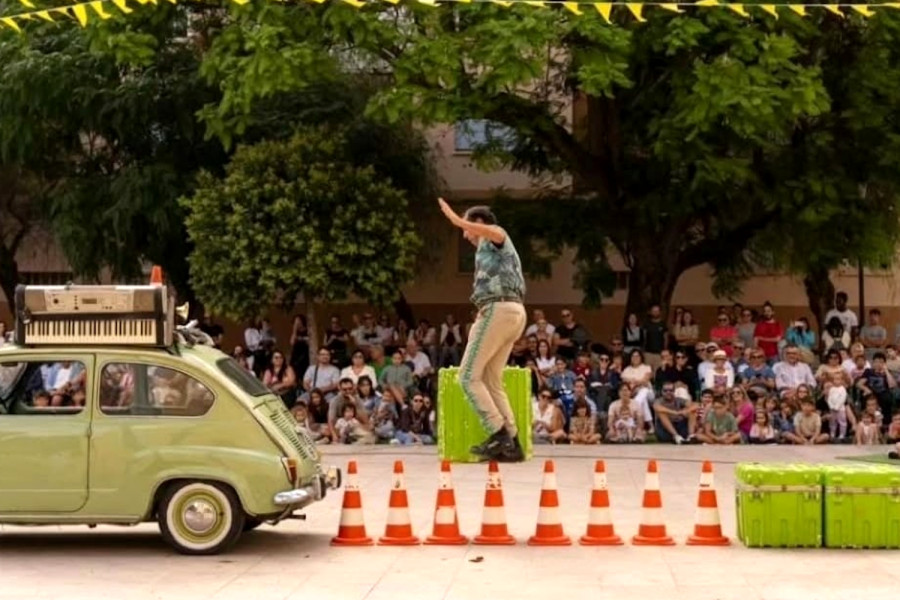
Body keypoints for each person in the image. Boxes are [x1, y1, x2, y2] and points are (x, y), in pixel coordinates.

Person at [438, 198, 527, 462]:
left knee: (466, 377)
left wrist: (456, 219)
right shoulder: (485, 251)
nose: (464, 235)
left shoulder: (496, 237)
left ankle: (498, 433)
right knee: (490, 379)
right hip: (510, 312)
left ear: (478, 224)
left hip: (499, 311)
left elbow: (496, 231)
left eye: (467, 228)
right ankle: (513, 444)